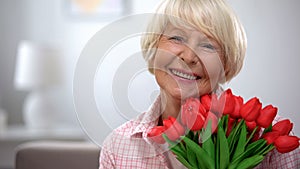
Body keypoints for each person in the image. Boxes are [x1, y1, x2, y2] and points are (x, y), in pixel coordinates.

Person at [99, 0, 299, 168]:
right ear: (153, 51)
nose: (188, 56)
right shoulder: (118, 146)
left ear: (227, 65)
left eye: (207, 45)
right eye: (177, 38)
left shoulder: (268, 139)